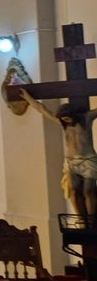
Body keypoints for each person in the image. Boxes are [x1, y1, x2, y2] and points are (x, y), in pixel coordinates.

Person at [21, 88, 97, 219]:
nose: (66, 121)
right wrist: (28, 98)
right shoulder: (63, 124)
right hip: (71, 162)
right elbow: (42, 109)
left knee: (88, 190)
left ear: (72, 114)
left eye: (68, 118)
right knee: (73, 190)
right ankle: (82, 220)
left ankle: (92, 221)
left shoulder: (86, 119)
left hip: (88, 160)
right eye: (64, 119)